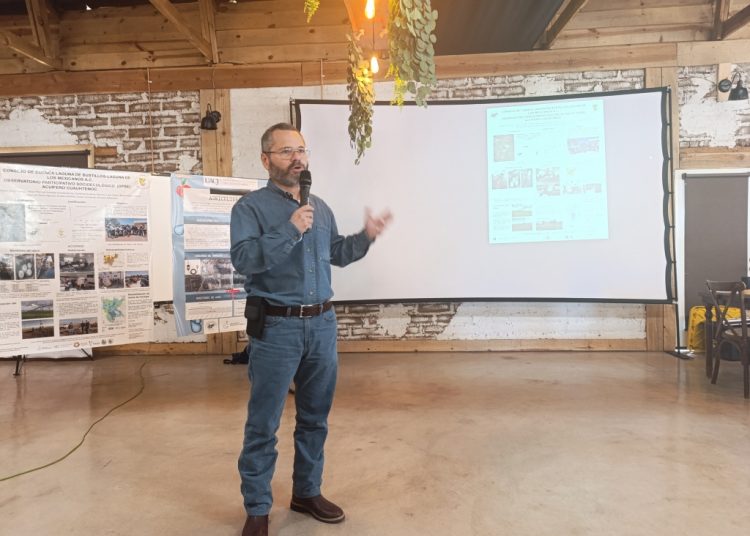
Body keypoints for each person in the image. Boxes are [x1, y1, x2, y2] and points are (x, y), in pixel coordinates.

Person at [230, 123, 391, 536]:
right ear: (266, 159)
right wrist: (290, 229)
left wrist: (366, 237)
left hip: (321, 325)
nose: (297, 158)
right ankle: (257, 508)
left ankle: (306, 492)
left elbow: (336, 253)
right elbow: (244, 260)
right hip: (276, 329)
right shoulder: (249, 208)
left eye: (301, 150)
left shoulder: (318, 206)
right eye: (286, 151)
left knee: (315, 418)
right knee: (263, 424)